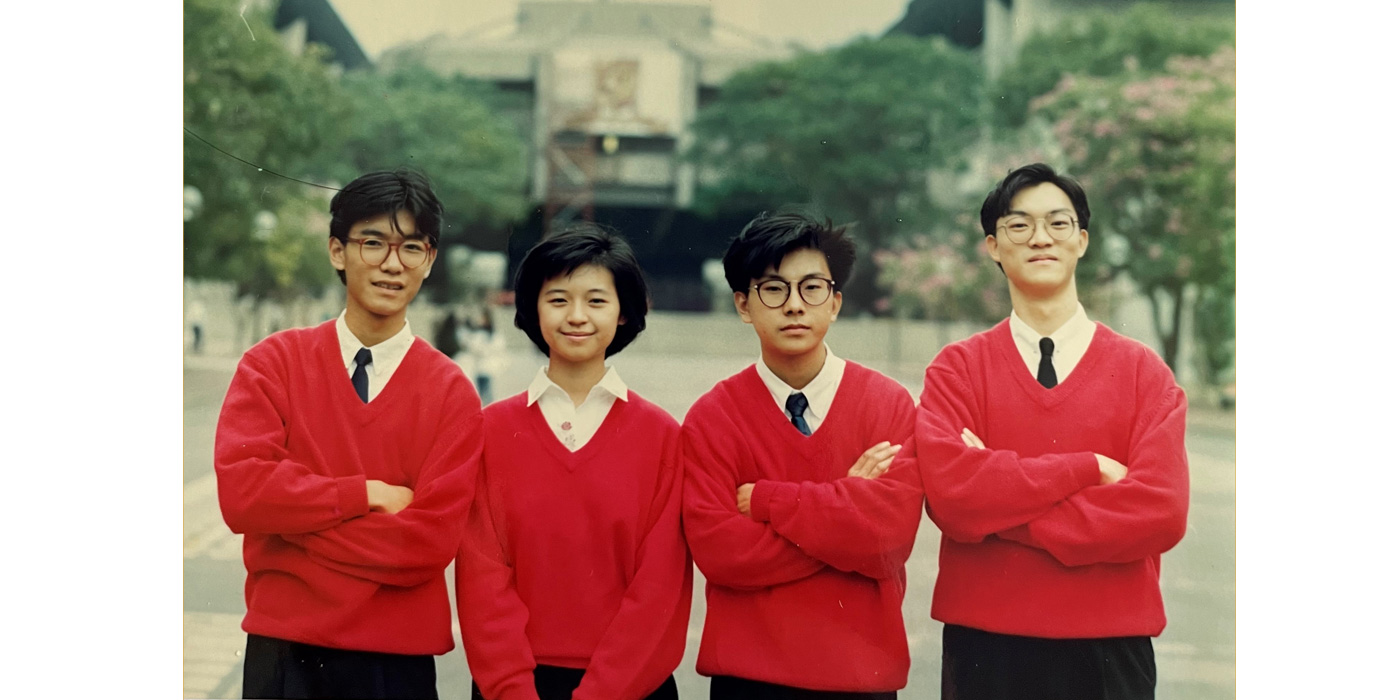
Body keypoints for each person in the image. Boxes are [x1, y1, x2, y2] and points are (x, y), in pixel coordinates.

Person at [912, 163, 1189, 700]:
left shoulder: (1143, 373)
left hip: (1111, 650)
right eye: (1019, 226)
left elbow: (1161, 511)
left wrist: (999, 502)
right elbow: (952, 499)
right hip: (985, 650)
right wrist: (1086, 469)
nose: (1041, 237)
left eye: (1058, 224)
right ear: (993, 245)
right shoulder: (957, 370)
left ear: (1081, 241)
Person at [214, 170, 483, 700]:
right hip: (283, 655)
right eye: (373, 242)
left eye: (410, 247)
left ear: (429, 261)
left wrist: (293, 524)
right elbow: (244, 497)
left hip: (396, 664)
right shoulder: (273, 365)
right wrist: (365, 495)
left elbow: (428, 543)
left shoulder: (452, 393)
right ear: (338, 251)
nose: (391, 263)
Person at [680, 212, 924, 699]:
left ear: (834, 303)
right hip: (748, 681)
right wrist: (847, 507)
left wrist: (771, 503)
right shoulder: (711, 418)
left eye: (811, 288)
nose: (794, 306)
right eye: (774, 289)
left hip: (861, 678)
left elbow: (888, 540)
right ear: (743, 305)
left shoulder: (889, 404)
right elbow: (723, 555)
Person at [457, 224, 692, 700]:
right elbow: (482, 580)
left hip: (631, 688)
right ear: (533, 310)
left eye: (597, 301)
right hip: (515, 689)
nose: (577, 316)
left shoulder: (663, 436)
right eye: (558, 299)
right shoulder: (490, 431)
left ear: (625, 312)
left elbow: (660, 589)